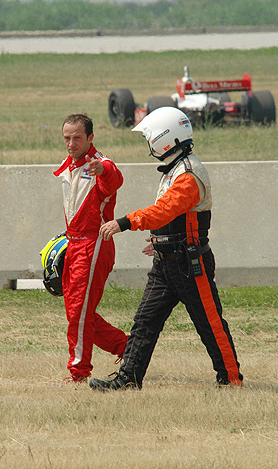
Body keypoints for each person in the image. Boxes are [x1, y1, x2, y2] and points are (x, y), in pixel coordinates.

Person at [89, 106, 243, 391]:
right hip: (166, 263)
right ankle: (128, 379)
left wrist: (123, 222)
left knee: (209, 323)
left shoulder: (188, 174)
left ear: (164, 139)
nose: (148, 145)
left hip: (189, 265)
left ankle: (231, 379)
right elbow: (175, 219)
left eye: (150, 138)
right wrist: (159, 240)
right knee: (145, 321)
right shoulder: (174, 169)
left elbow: (164, 211)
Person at [53, 113, 127, 383]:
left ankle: (79, 372)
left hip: (95, 243)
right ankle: (126, 347)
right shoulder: (68, 165)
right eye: (67, 138)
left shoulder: (101, 164)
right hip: (73, 243)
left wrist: (102, 170)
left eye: (77, 138)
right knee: (77, 312)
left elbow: (114, 179)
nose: (71, 144)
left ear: (90, 138)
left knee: (80, 313)